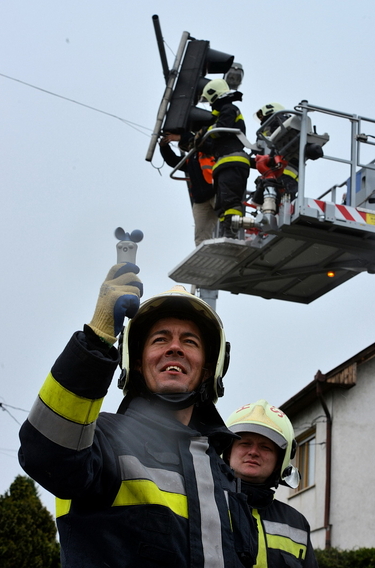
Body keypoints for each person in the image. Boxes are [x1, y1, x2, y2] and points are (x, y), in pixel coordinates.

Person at [18, 263, 257, 567]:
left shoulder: (223, 474)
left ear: (209, 369)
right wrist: (97, 340)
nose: (175, 348)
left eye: (189, 341)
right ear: (139, 364)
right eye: (160, 339)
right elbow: (45, 455)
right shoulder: (99, 440)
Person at [224, 399, 319, 568]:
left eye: (265, 447)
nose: (253, 452)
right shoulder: (204, 504)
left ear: (279, 461)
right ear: (227, 451)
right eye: (245, 443)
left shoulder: (296, 523)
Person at [197, 79, 252, 239]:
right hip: (224, 163)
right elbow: (214, 142)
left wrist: (206, 132)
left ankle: (231, 232)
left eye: (209, 100)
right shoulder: (222, 112)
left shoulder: (229, 108)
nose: (209, 105)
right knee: (222, 203)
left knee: (230, 200)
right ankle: (226, 231)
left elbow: (221, 129)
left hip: (232, 161)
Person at [159, 132, 218, 246]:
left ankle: (237, 238)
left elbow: (199, 141)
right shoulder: (190, 160)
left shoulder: (208, 149)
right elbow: (173, 161)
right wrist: (164, 147)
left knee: (229, 219)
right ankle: (202, 254)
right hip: (200, 200)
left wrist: (180, 136)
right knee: (201, 234)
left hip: (215, 192)